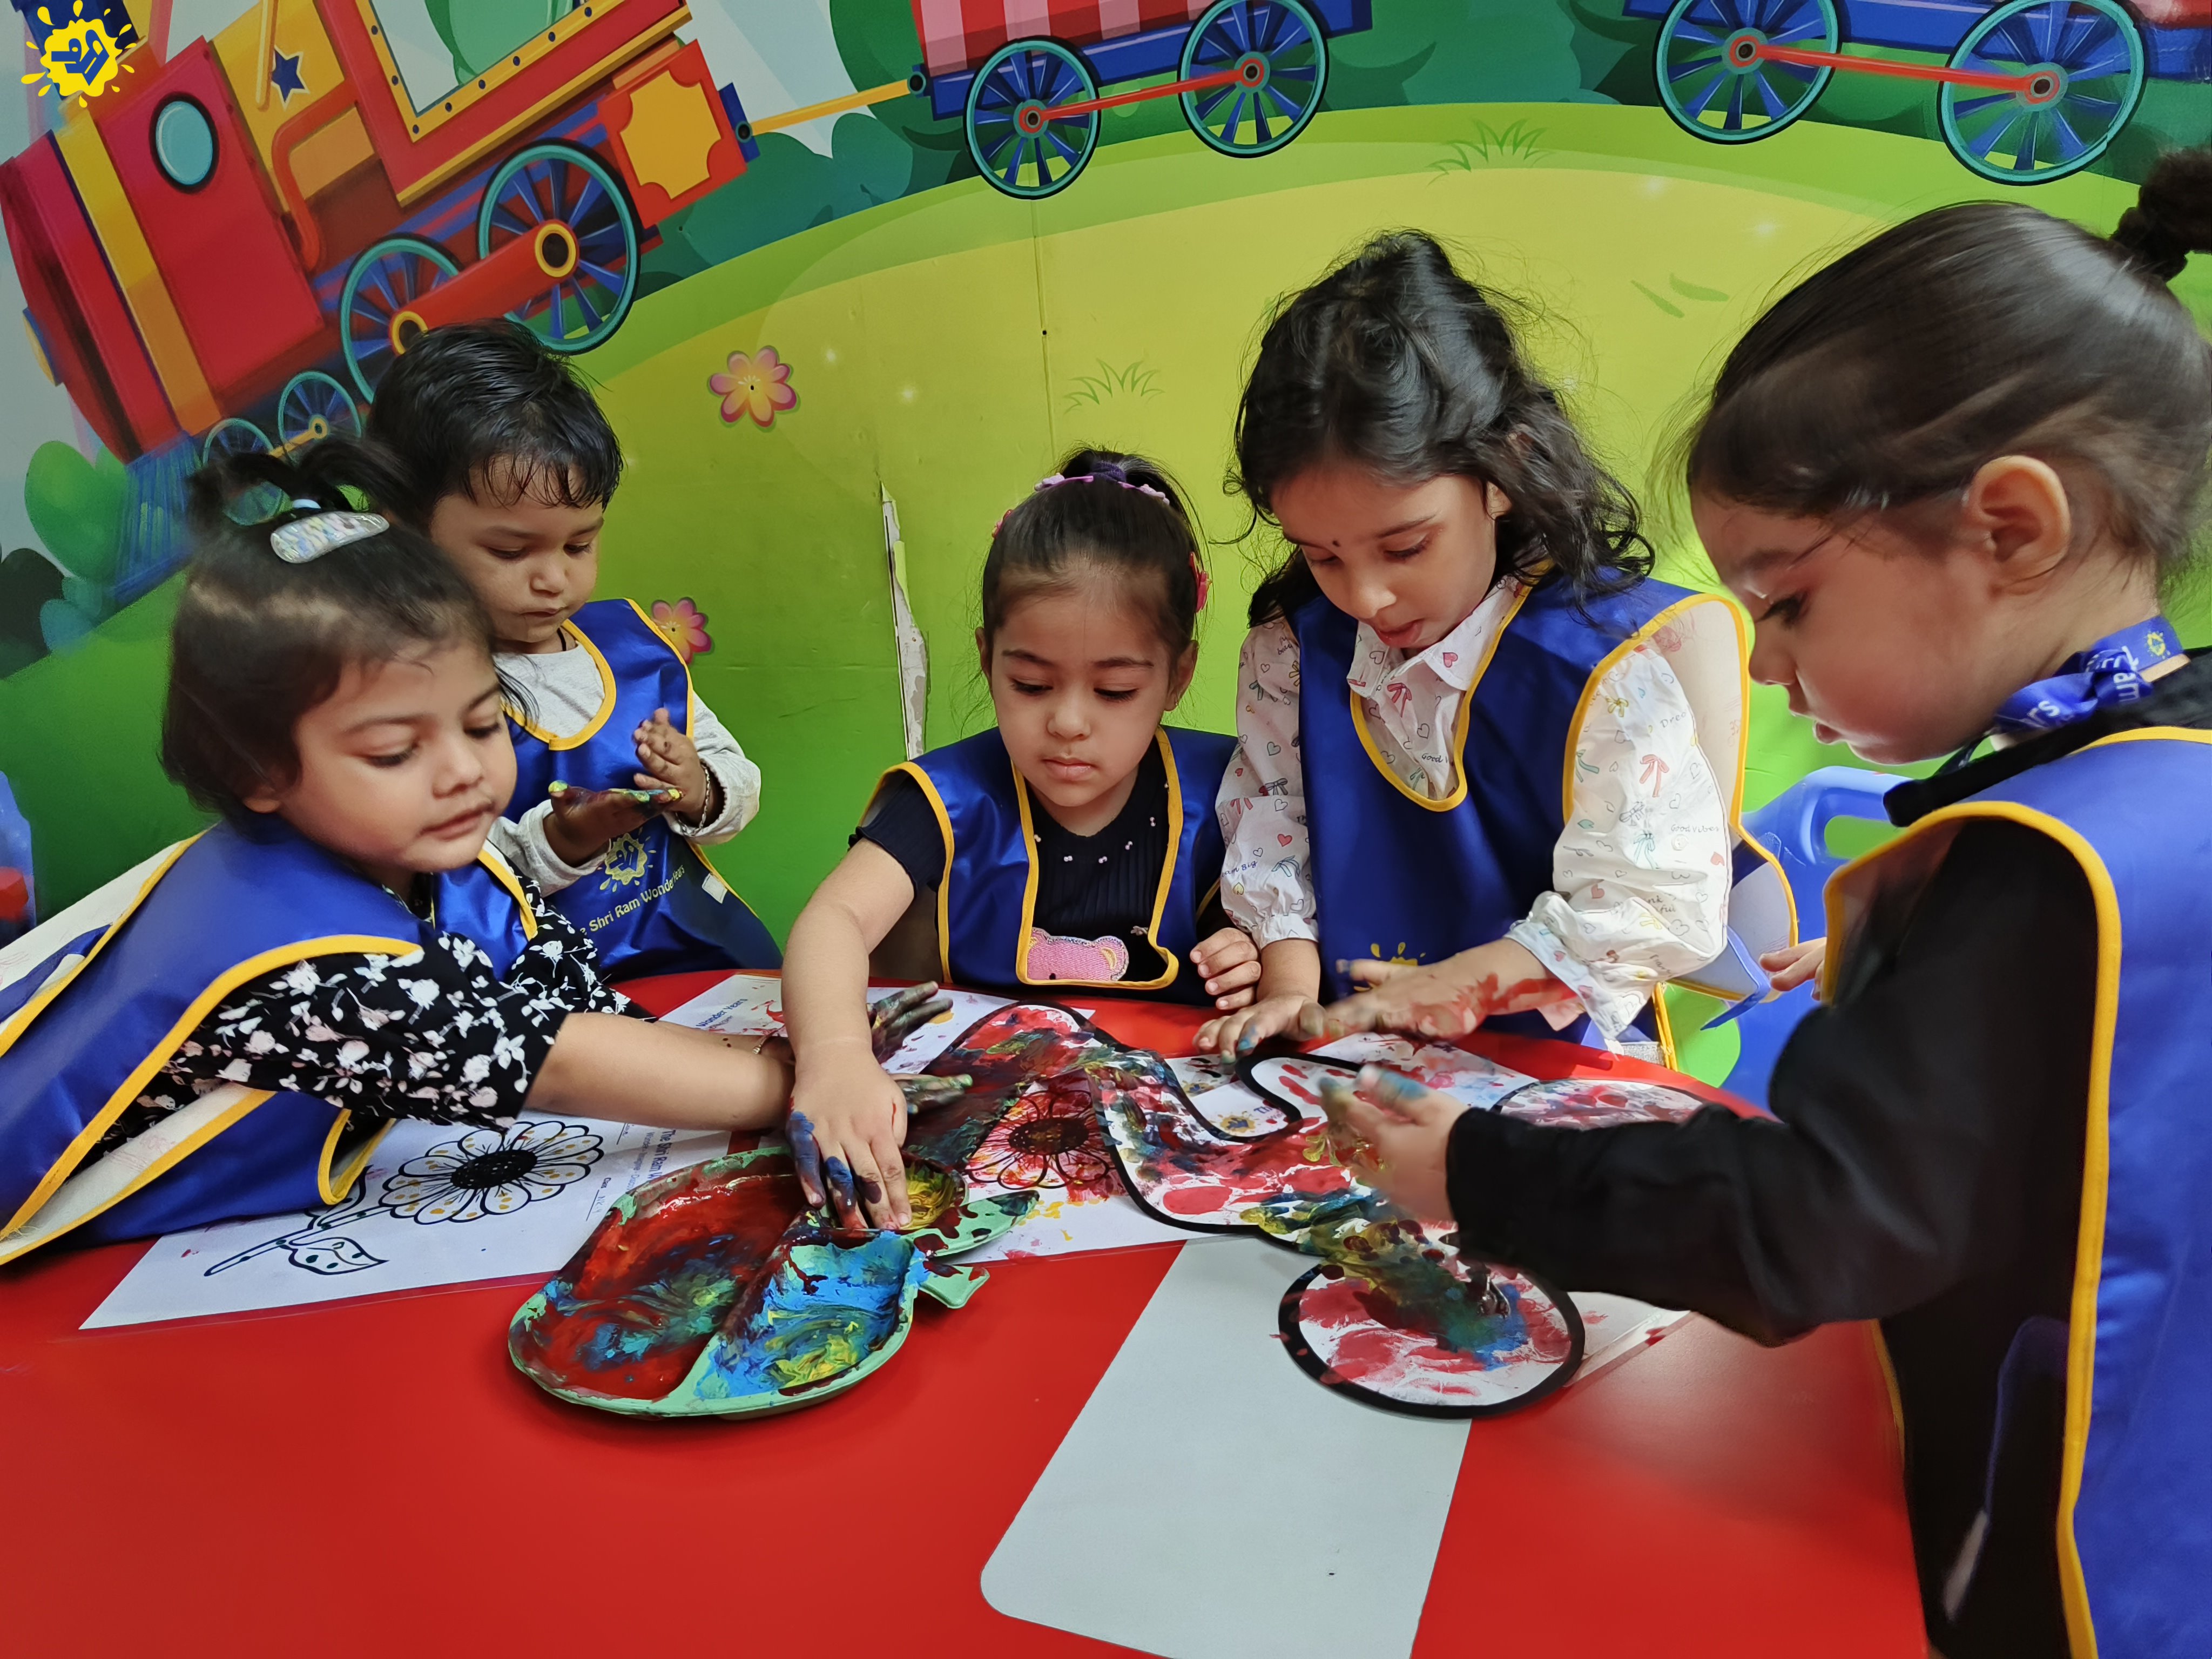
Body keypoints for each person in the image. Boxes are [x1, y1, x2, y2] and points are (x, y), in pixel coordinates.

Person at [1324, 153, 2212, 1659]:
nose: (1767, 664)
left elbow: (1810, 1224)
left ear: (2011, 528)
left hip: (2060, 1551)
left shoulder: (2037, 876)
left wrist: (1474, 1170)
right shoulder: (2171, 769)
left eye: (1788, 601)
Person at [0, 450, 861, 1264]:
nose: (463, 772)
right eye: (394, 752)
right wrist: (821, 1079)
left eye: (483, 723)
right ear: (257, 769)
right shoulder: (303, 961)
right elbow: (550, 1059)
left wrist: (816, 1058)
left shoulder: (434, 857)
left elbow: (577, 1003)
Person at [1199, 231, 1773, 1064]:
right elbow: (1272, 826)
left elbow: (1653, 904)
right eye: (1321, 555)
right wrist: (1291, 991)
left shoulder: (1598, 670)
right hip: (1352, 1059)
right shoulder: (1292, 652)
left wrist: (1469, 982)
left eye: (1405, 547)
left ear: (1504, 473)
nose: (1365, 597)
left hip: (1557, 1070)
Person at [780, 450, 1260, 1229]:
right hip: (975, 1142)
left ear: (1177, 676)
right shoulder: (944, 799)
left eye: (1115, 690)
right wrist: (834, 1056)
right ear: (986, 658)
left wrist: (1250, 954)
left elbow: (1282, 947)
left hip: (1173, 1146)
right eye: (1031, 684)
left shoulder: (1230, 793)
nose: (1067, 722)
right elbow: (832, 921)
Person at [363, 320, 778, 979]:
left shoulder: (633, 649)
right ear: (404, 532)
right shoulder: (408, 694)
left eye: (579, 545)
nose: (554, 579)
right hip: (551, 1001)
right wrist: (560, 842)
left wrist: (699, 787)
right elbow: (440, 885)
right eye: (510, 551)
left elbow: (738, 783)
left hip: (703, 960)